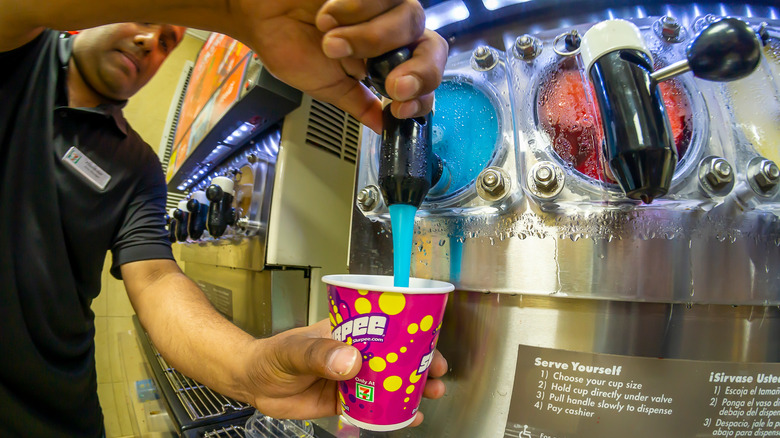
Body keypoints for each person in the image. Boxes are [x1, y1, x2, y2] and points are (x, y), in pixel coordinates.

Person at [0, 1, 449, 436]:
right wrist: (236, 10)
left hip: (59, 408)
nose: (147, 41)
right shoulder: (19, 50)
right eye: (144, 18)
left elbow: (155, 278)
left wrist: (251, 368)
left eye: (167, 41)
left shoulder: (138, 166)